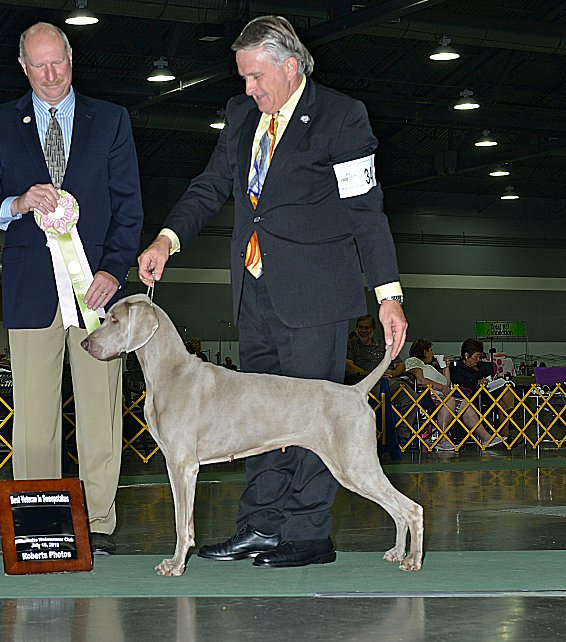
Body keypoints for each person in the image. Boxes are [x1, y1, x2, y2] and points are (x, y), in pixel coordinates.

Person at [137, 16, 406, 569]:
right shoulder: (241, 116)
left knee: (316, 420)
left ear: (290, 67)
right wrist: (168, 239)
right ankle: (259, 527)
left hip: (316, 297)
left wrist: (388, 293)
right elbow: (210, 186)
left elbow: (366, 211)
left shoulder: (341, 116)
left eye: (256, 77)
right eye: (242, 78)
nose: (247, 89)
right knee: (252, 419)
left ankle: (307, 534)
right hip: (254, 296)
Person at [0, 22, 143, 555]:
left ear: (71, 58)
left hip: (97, 293)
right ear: (23, 67)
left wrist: (113, 270)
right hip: (30, 293)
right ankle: (40, 528)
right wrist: (16, 204)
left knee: (101, 414)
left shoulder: (111, 121)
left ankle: (99, 523)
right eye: (39, 66)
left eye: (58, 63)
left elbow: (128, 206)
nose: (50, 75)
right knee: (34, 421)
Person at [404, 339, 494, 451]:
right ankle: (442, 440)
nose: (432, 353)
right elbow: (421, 380)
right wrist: (441, 387)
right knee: (450, 400)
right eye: (431, 350)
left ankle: (485, 437)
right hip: (427, 397)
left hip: (442, 396)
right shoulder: (413, 362)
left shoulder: (430, 367)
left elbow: (447, 384)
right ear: (424, 352)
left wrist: (445, 367)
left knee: (465, 403)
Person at [345, 315, 413, 440]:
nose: (363, 331)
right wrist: (371, 374)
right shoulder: (352, 345)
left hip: (391, 381)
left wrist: (393, 373)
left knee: (412, 399)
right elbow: (348, 365)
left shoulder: (384, 344)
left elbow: (401, 364)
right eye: (360, 327)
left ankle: (402, 437)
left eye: (367, 328)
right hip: (366, 384)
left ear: (373, 329)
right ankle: (376, 437)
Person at [450, 338, 518, 441]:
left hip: (488, 393)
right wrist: (477, 382)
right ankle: (510, 417)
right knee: (503, 396)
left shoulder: (482, 366)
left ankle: (506, 432)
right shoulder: (458, 368)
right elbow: (460, 384)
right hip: (474, 396)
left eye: (479, 357)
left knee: (505, 393)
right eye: (476, 357)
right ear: (467, 355)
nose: (478, 360)